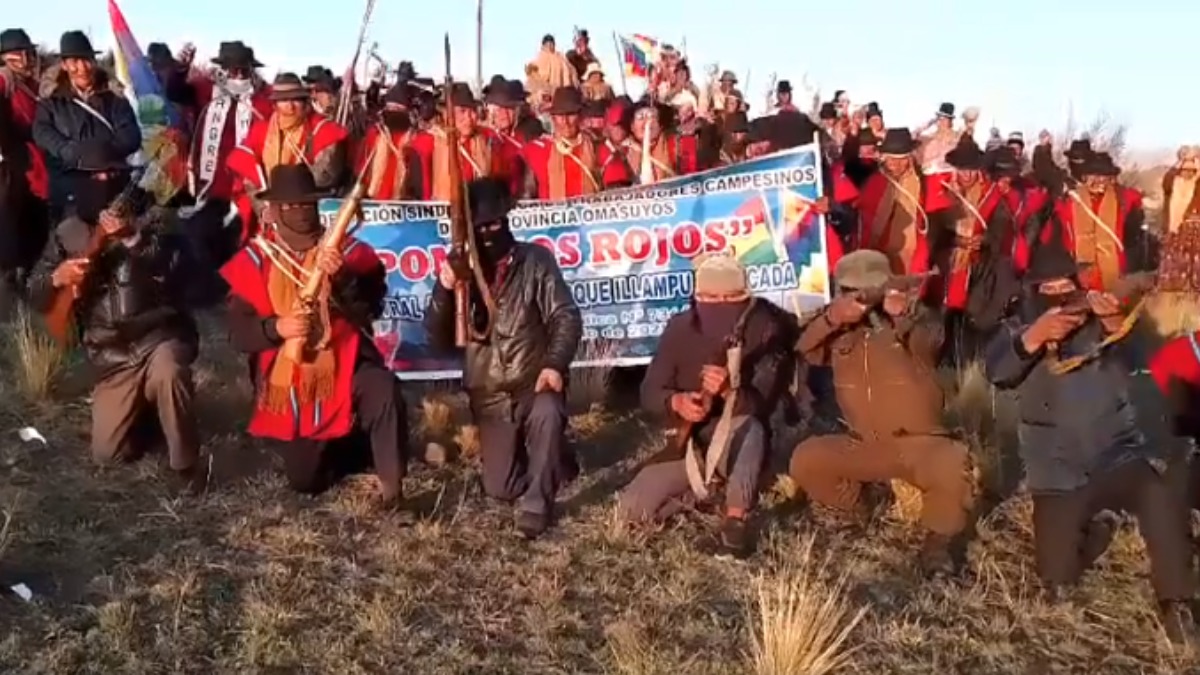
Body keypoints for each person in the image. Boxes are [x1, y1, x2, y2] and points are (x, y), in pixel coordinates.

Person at [984, 239, 1197, 645]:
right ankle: (1100, 526)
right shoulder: (1014, 329)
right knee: (1057, 580)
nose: (1060, 294)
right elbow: (997, 372)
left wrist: (1116, 324)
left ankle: (1177, 602)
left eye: (1066, 284)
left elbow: (1142, 362)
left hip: (1118, 455)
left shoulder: (1098, 319)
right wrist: (1035, 338)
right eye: (1048, 288)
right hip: (1058, 470)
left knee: (1161, 495)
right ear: (1032, 290)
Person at [220, 164, 408, 509]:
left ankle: (394, 492)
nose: (300, 212)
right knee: (305, 481)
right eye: (291, 206)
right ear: (274, 210)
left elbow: (369, 312)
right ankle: (355, 445)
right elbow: (237, 335)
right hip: (291, 376)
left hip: (348, 359)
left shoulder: (348, 251)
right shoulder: (255, 260)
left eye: (307, 204)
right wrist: (276, 328)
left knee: (383, 388)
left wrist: (344, 279)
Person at [28, 147, 203, 494]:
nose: (104, 182)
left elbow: (177, 272)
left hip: (158, 338)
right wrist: (58, 279)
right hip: (112, 356)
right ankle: (148, 415)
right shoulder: (67, 233)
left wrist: (131, 238)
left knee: (169, 371)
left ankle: (186, 466)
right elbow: (35, 294)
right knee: (108, 455)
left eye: (112, 175)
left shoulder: (154, 220)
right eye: (96, 176)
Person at [788, 250, 972, 578]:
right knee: (806, 458)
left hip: (919, 444)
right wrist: (832, 319)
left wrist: (901, 314)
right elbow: (805, 350)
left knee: (952, 461)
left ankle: (938, 546)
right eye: (851, 291)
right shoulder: (839, 332)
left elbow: (931, 342)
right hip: (866, 443)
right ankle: (859, 508)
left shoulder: (918, 319)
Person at [423, 177, 582, 539]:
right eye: (481, 227)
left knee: (547, 410)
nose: (490, 232)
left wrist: (554, 365)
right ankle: (554, 459)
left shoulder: (535, 260)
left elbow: (566, 316)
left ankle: (539, 502)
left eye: (496, 224)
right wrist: (445, 290)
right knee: (502, 488)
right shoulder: (460, 273)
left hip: (532, 382)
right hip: (491, 395)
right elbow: (436, 338)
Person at [619, 252, 793, 557]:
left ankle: (735, 521)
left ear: (746, 296)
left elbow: (761, 406)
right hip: (692, 447)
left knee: (750, 427)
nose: (721, 304)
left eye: (732, 296)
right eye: (711, 297)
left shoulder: (768, 329)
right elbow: (649, 391)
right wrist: (675, 402)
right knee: (632, 511)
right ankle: (707, 489)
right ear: (696, 296)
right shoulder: (680, 328)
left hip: (743, 442)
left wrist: (728, 390)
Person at [33, 30, 142, 226]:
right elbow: (42, 131)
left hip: (113, 184)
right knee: (74, 243)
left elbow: (131, 135)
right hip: (70, 187)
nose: (82, 68)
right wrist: (66, 150)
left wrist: (102, 153)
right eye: (74, 61)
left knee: (123, 241)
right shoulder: (51, 99)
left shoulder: (114, 96)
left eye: (87, 60)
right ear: (64, 65)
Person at [226, 72, 350, 239]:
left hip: (310, 217)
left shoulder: (324, 131)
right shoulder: (261, 132)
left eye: (296, 100)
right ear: (275, 104)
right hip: (272, 222)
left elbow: (325, 177)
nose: (290, 107)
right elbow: (250, 177)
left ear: (305, 102)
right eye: (284, 100)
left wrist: (288, 204)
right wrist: (263, 208)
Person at [1034, 151, 1156, 293]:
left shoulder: (1124, 201)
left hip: (1117, 277)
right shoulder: (1069, 203)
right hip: (1078, 278)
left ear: (1111, 179)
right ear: (1085, 177)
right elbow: (1051, 238)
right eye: (1094, 176)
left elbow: (1133, 236)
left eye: (1104, 176)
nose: (1099, 181)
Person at [0, 27, 49, 312]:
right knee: (8, 224)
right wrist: (12, 147)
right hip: (10, 165)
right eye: (21, 52)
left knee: (33, 223)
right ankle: (7, 293)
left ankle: (25, 277)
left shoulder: (28, 84)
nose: (27, 57)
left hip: (32, 166)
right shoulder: (4, 80)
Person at [851, 128, 933, 277]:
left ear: (910, 158)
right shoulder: (874, 183)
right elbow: (862, 221)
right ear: (884, 158)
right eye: (892, 158)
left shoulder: (922, 184)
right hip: (877, 255)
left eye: (902, 159)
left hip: (909, 256)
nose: (896, 164)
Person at [356, 83, 432, 201]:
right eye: (390, 108)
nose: (393, 112)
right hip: (374, 202)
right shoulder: (375, 135)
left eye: (397, 109)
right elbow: (361, 172)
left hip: (403, 204)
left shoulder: (417, 140)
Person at [522, 87, 600, 199]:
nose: (565, 122)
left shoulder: (595, 147)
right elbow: (528, 195)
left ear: (580, 116)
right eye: (560, 115)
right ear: (553, 118)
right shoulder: (537, 150)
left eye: (571, 114)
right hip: (551, 214)